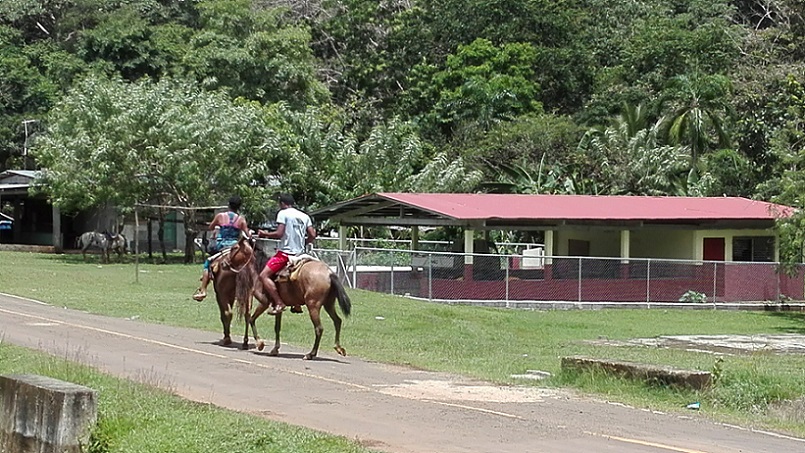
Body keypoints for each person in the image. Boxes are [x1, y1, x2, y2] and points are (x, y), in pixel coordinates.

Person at [256, 193, 316, 314]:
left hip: (285, 253)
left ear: (282, 204)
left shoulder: (282, 213)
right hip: (300, 255)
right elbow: (312, 235)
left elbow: (279, 234)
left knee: (263, 275)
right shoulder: (305, 216)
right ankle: (297, 303)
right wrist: (304, 243)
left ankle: (278, 302)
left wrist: (265, 234)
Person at [192, 195, 250, 301]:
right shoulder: (241, 219)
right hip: (234, 246)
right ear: (239, 207)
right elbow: (247, 234)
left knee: (208, 263)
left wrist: (217, 227)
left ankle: (203, 290)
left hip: (222, 245)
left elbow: (211, 227)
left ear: (228, 205)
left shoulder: (220, 216)